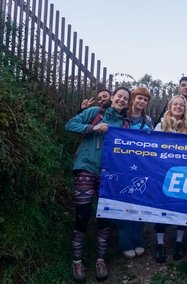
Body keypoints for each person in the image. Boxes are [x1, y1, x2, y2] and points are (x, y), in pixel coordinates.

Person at [65, 87, 131, 282]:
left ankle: (100, 260)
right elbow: (69, 124)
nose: (121, 100)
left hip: (109, 174)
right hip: (86, 168)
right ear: (112, 97)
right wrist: (92, 128)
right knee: (82, 215)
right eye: (119, 96)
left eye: (125, 99)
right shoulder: (96, 112)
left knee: (104, 217)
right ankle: (77, 261)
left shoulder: (125, 124)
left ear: (127, 104)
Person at [154, 95, 187, 263]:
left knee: (181, 206)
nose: (178, 107)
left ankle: (179, 241)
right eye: (175, 104)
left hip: (182, 173)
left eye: (181, 105)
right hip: (162, 172)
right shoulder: (160, 125)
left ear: (185, 109)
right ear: (170, 107)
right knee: (160, 207)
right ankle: (160, 244)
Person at [117, 87, 154, 260]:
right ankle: (125, 243)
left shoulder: (148, 121)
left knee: (139, 204)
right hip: (122, 166)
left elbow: (154, 142)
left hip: (142, 166)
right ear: (133, 98)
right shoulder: (122, 117)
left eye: (145, 100)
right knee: (124, 204)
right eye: (139, 98)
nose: (141, 102)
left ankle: (138, 239)